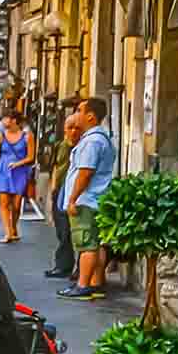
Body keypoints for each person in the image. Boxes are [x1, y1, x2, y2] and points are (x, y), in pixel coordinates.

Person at [59, 96, 118, 300]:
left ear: (90, 116)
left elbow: (85, 172)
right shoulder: (102, 138)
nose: (76, 115)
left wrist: (72, 199)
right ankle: (96, 283)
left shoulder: (92, 141)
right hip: (97, 198)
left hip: (86, 199)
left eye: (79, 111)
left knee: (86, 244)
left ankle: (82, 285)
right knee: (97, 243)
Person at [45, 108, 83, 280]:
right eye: (70, 128)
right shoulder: (60, 145)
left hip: (75, 191)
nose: (73, 131)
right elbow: (55, 166)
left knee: (72, 232)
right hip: (60, 190)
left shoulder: (83, 147)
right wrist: (53, 189)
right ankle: (63, 265)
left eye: (77, 128)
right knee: (62, 230)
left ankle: (72, 268)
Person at [0, 107, 36, 244]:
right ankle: (8, 232)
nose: (2, 121)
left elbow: (31, 157)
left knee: (16, 204)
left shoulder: (27, 136)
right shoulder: (0, 137)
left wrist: (18, 163)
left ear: (14, 120)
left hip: (20, 172)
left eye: (5, 118)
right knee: (4, 202)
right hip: (3, 171)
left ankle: (13, 227)